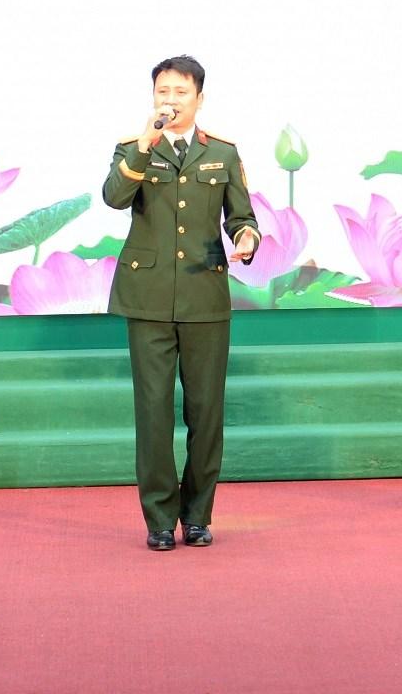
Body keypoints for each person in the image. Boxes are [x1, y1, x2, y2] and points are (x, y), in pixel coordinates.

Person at [101, 55, 260, 551]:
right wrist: (145, 146)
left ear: (199, 99)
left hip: (204, 295)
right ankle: (157, 519)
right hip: (146, 297)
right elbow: (114, 197)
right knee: (153, 413)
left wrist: (247, 238)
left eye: (180, 92)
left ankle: (196, 516)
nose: (170, 101)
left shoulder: (223, 153)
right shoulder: (133, 148)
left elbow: (241, 217)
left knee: (206, 413)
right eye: (162, 92)